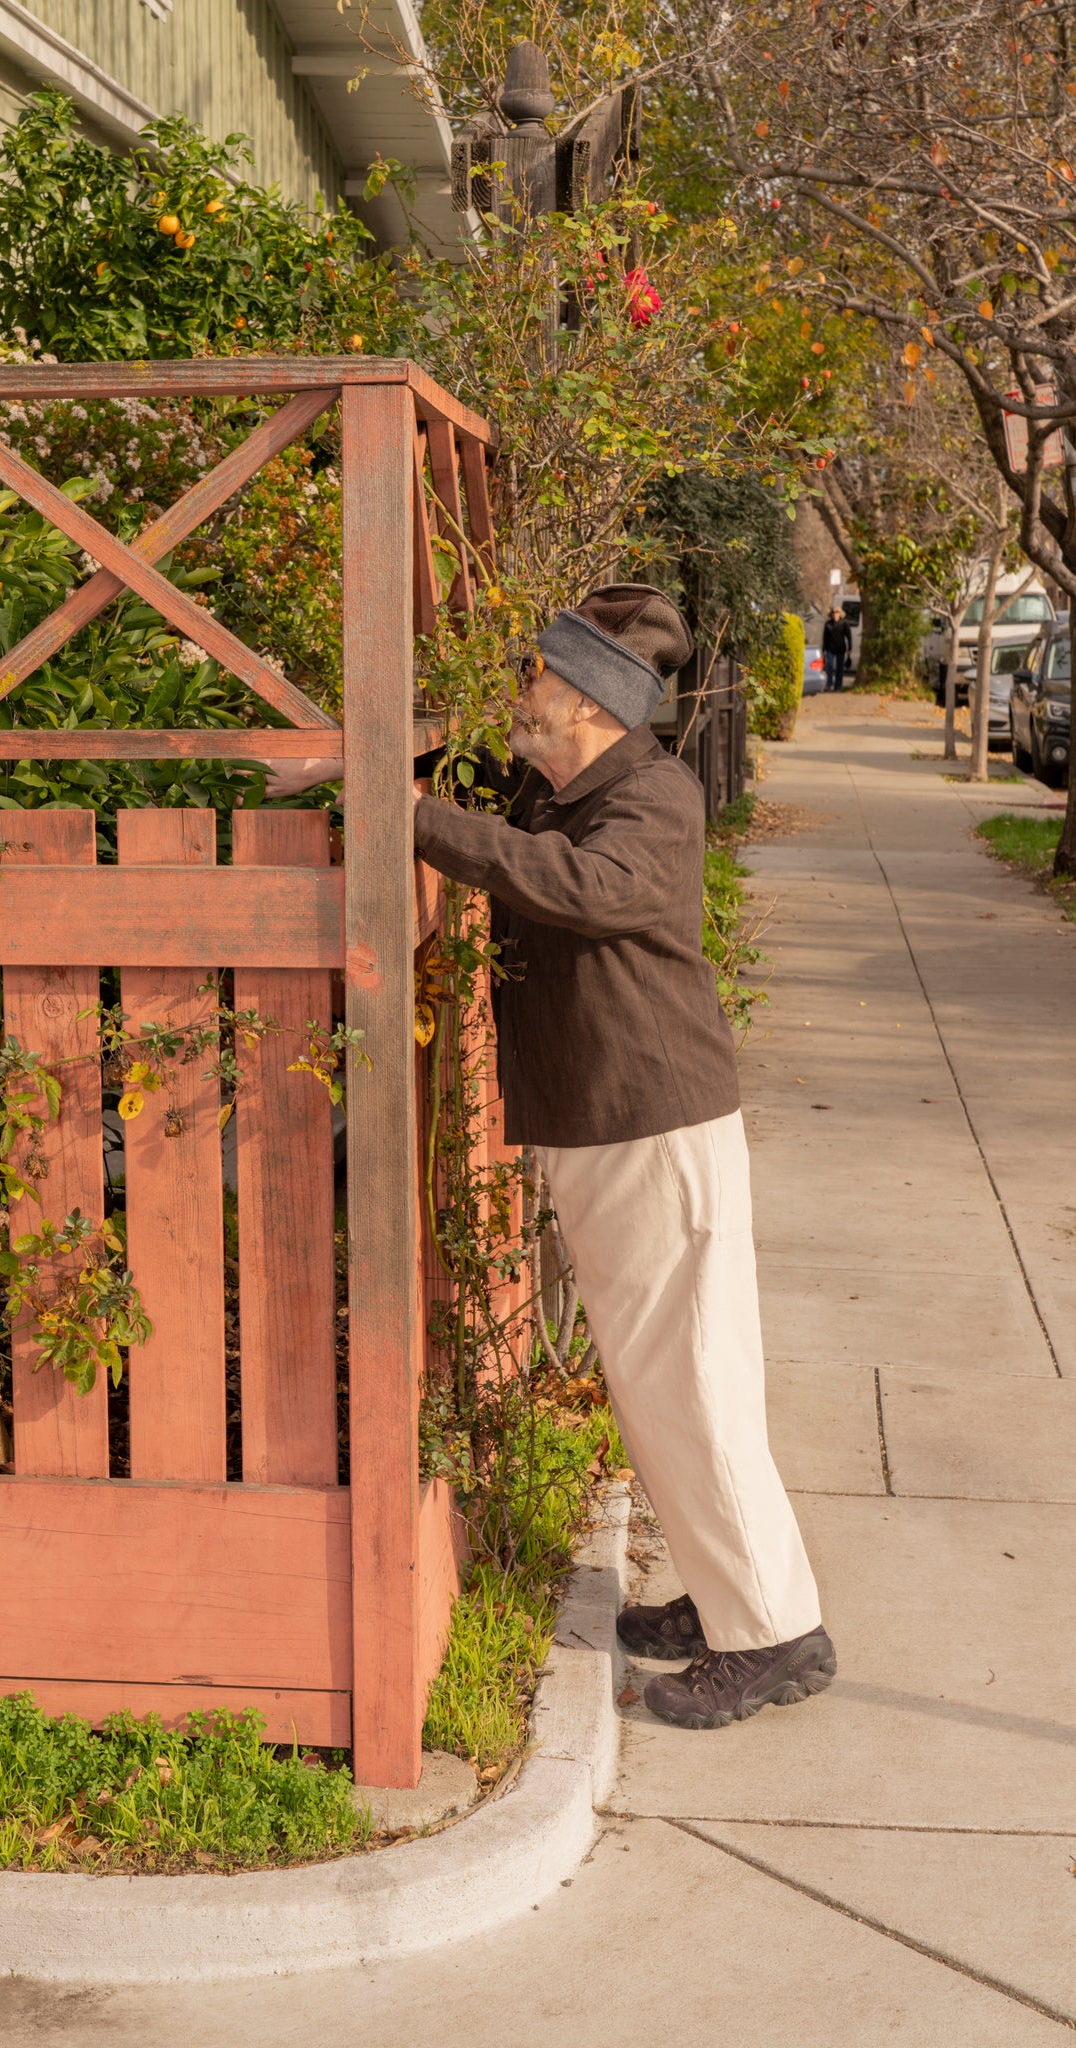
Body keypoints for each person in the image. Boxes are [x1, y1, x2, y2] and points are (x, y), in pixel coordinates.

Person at [408, 586, 835, 1731]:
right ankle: (726, 1590)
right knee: (667, 1381)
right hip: (616, 1125)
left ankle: (772, 1634)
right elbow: (489, 800)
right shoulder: (568, 785)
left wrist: (409, 816)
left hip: (653, 1130)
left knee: (690, 1381)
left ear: (590, 700)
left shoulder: (649, 798)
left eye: (536, 679)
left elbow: (577, 890)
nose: (519, 696)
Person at [822, 605, 851, 691]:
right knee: (829, 667)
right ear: (831, 614)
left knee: (839, 668)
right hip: (830, 649)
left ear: (840, 614)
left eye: (837, 612)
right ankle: (829, 684)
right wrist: (824, 650)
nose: (835, 614)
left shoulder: (844, 623)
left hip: (841, 648)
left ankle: (838, 686)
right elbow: (825, 638)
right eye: (833, 612)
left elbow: (849, 636)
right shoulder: (828, 624)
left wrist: (849, 649)